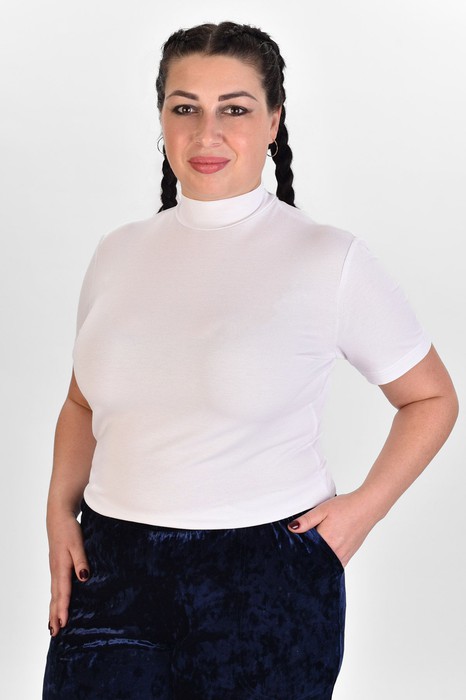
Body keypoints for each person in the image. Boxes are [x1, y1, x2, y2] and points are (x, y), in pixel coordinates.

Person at [42, 21, 458, 700]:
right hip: (111, 573)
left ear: (273, 122)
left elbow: (432, 398)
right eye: (185, 108)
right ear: (161, 120)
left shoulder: (328, 259)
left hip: (265, 582)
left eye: (233, 109)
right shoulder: (116, 253)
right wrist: (59, 512)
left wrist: (362, 511)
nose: (207, 133)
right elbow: (82, 402)